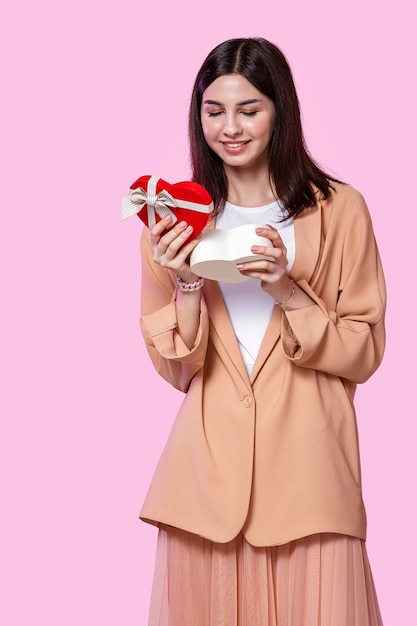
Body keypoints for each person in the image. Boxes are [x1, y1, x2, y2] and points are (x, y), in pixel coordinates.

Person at [138, 37, 386, 626]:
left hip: (311, 482)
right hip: (205, 489)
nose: (230, 128)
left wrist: (287, 288)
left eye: (249, 109)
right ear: (197, 116)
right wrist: (188, 283)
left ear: (281, 112)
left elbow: (366, 351)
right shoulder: (171, 220)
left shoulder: (340, 210)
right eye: (214, 110)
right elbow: (178, 371)